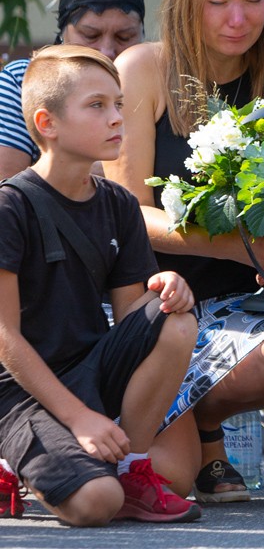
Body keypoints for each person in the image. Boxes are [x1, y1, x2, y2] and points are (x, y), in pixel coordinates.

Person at [106, 0, 264, 503]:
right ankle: (200, 446)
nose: (237, 18)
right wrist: (229, 246)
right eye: (218, 1)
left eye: (253, 0)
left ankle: (203, 427)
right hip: (152, 300)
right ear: (187, 0)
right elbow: (127, 214)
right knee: (171, 480)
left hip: (238, 302)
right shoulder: (144, 70)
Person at [0, 45, 199, 524]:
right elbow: (4, 338)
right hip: (22, 393)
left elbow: (133, 319)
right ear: (46, 123)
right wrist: (78, 418)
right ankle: (11, 460)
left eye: (117, 105)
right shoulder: (11, 208)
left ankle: (133, 468)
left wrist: (167, 287)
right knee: (95, 503)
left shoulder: (119, 205)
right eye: (97, 106)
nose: (117, 119)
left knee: (175, 319)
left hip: (91, 369)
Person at [0, 0, 146, 180]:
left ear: (142, 33)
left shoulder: (157, 86)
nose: (106, 51)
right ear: (63, 31)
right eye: (90, 35)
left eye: (124, 36)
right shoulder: (20, 83)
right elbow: (4, 189)